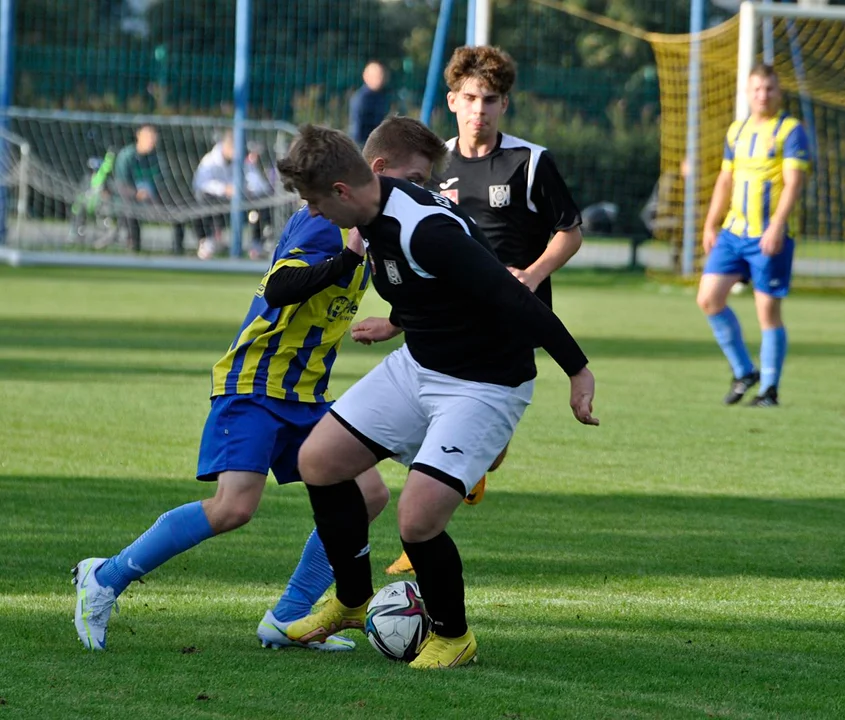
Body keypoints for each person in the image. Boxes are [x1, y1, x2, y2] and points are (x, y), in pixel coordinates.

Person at [71, 116, 449, 653]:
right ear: (380, 169)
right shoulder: (327, 224)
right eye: (417, 178)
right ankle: (104, 578)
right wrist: (348, 257)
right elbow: (279, 287)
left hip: (306, 394)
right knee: (234, 507)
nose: (423, 190)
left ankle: (290, 616)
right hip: (255, 383)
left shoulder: (379, 227)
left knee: (367, 494)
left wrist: (396, 321)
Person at [273, 124, 598, 669]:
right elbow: (435, 289)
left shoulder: (422, 227)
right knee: (320, 460)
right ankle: (352, 601)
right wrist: (400, 321)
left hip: (486, 383)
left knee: (417, 518)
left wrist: (577, 369)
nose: (313, 211)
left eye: (314, 200)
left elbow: (508, 294)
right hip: (420, 365)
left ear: (343, 190)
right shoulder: (371, 218)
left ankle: (453, 635)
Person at [379, 47, 584, 576]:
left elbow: (571, 231)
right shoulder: (432, 164)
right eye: (470, 98)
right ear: (452, 100)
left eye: (490, 100)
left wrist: (533, 276)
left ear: (504, 104)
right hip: (447, 321)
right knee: (434, 419)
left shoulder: (529, 161)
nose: (480, 110)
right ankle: (418, 532)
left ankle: (443, 497)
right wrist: (398, 319)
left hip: (511, 318)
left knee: (481, 448)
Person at [696, 63, 809, 408]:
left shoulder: (790, 131)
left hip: (767, 237)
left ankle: (769, 390)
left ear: (779, 92)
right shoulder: (737, 131)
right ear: (747, 93)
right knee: (709, 299)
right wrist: (711, 222)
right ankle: (745, 370)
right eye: (757, 89)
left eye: (769, 89)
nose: (763, 95)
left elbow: (794, 182)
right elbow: (725, 180)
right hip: (733, 233)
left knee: (767, 313)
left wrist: (776, 225)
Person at [191, 130, 274, 260]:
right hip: (217, 202)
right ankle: (206, 242)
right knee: (201, 200)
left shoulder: (242, 161)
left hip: (240, 203)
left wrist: (247, 189)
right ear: (227, 146)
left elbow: (258, 183)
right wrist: (224, 189)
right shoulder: (210, 161)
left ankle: (257, 245)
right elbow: (199, 184)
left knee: (262, 202)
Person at [111, 124, 184, 254]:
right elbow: (121, 185)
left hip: (152, 199)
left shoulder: (157, 158)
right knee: (130, 209)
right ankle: (135, 246)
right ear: (138, 136)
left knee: (178, 207)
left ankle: (178, 249)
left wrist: (158, 196)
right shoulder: (126, 157)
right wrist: (137, 194)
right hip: (129, 200)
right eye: (148, 136)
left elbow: (163, 183)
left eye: (153, 136)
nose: (151, 140)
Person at [349, 61, 390, 147]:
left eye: (382, 75)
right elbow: (357, 129)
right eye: (376, 76)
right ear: (366, 77)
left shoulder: (381, 96)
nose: (381, 78)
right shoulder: (362, 99)